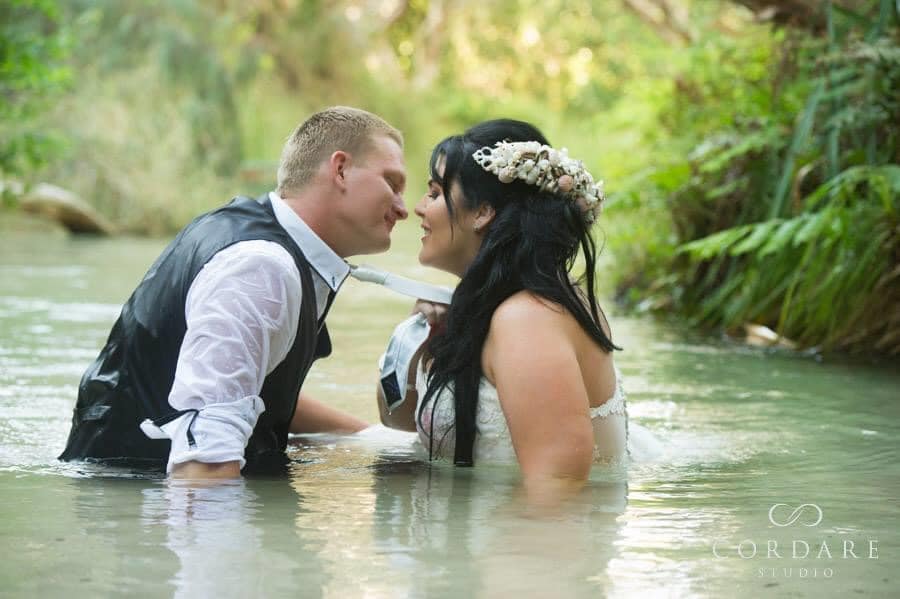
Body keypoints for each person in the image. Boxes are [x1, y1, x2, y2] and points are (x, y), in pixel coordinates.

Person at [59, 106, 409, 478]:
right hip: (137, 508)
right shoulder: (261, 268)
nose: (404, 209)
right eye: (392, 183)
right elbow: (203, 465)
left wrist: (370, 438)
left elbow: (244, 386)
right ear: (340, 169)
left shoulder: (261, 238)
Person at [377, 119, 626, 495]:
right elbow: (397, 422)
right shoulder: (496, 306)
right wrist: (416, 339)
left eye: (434, 193)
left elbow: (557, 490)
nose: (417, 208)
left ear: (483, 212)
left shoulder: (529, 319)